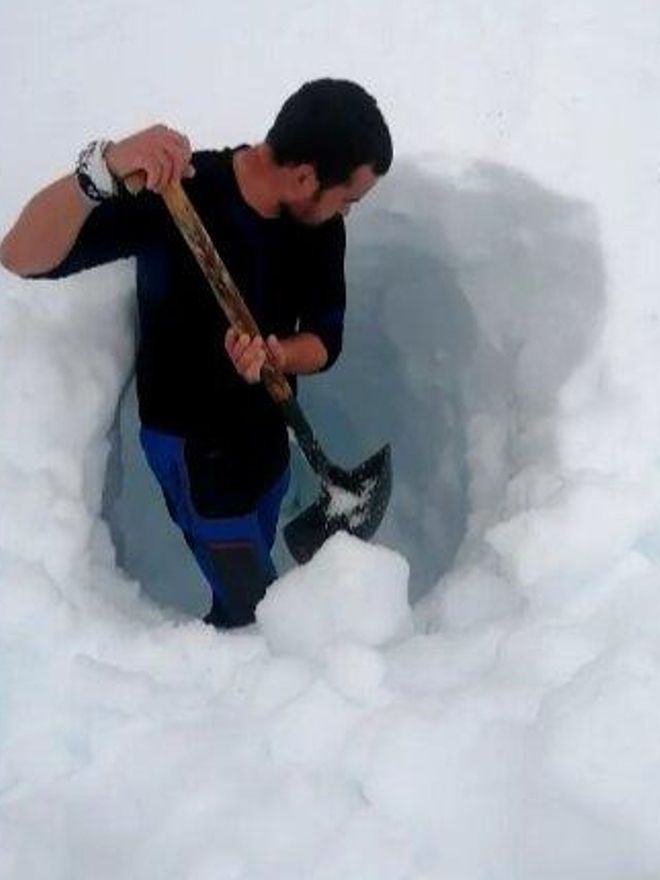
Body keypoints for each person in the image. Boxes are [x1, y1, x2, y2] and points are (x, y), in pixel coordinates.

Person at [0, 78, 393, 628]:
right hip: (197, 459)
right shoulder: (178, 196)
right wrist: (101, 171)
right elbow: (21, 256)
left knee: (261, 548)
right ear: (305, 177)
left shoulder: (318, 229)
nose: (345, 213)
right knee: (249, 610)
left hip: (269, 440)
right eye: (347, 199)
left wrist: (278, 356)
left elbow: (326, 340)